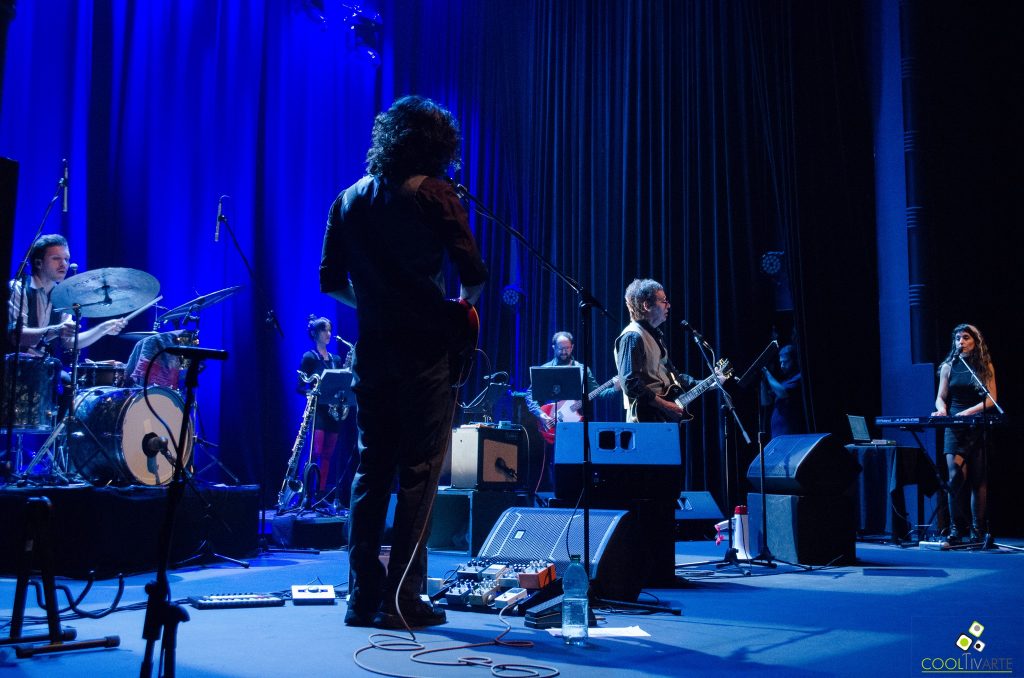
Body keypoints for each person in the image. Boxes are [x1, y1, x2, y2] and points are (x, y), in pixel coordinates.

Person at [320, 95, 487, 629]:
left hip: (372, 353)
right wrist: (457, 310)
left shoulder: (348, 198)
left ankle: (361, 598)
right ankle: (403, 599)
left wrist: (375, 304)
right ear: (437, 145)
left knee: (372, 471)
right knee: (419, 473)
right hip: (424, 356)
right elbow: (473, 276)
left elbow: (330, 283)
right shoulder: (435, 193)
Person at [524, 330, 618, 491]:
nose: (564, 351)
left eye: (567, 348)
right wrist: (541, 414)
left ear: (572, 347)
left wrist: (615, 388)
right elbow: (529, 395)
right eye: (560, 348)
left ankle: (575, 493)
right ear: (553, 347)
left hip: (576, 424)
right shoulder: (546, 369)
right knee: (553, 462)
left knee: (576, 459)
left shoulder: (582, 369)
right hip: (551, 422)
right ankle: (556, 493)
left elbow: (599, 393)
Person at [7, 234, 126, 356]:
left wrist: (102, 329)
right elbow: (16, 336)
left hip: (42, 365)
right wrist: (56, 330)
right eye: (56, 258)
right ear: (38, 263)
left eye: (66, 259)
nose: (64, 264)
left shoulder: (62, 296)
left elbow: (69, 342)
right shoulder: (19, 288)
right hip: (13, 363)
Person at [932, 323, 997, 545]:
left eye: (966, 337)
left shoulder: (984, 366)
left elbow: (991, 399)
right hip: (955, 426)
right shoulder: (948, 366)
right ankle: (955, 529)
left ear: (976, 341)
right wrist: (942, 409)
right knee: (956, 475)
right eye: (958, 338)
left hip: (976, 426)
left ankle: (977, 530)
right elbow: (941, 397)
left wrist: (969, 412)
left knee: (978, 479)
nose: (961, 342)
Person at [613, 279, 702, 423]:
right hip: (645, 418)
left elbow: (674, 376)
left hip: (660, 417)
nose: (668, 305)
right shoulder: (632, 336)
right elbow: (630, 383)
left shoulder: (654, 335)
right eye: (664, 301)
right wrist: (665, 405)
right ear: (647, 305)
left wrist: (711, 382)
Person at [297, 315, 353, 501]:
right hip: (319, 412)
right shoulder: (309, 357)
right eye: (324, 330)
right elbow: (299, 386)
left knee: (328, 455)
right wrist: (314, 394)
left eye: (329, 330)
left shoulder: (336, 359)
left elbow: (341, 383)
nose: (328, 334)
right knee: (316, 451)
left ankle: (320, 494)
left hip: (333, 412)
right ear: (315, 333)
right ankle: (306, 493)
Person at [761, 344, 805, 438]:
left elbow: (782, 393)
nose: (782, 366)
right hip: (778, 434)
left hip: (790, 433)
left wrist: (767, 373)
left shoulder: (799, 378)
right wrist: (762, 382)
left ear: (795, 360)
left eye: (785, 362)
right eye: (781, 362)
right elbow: (766, 402)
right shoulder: (784, 382)